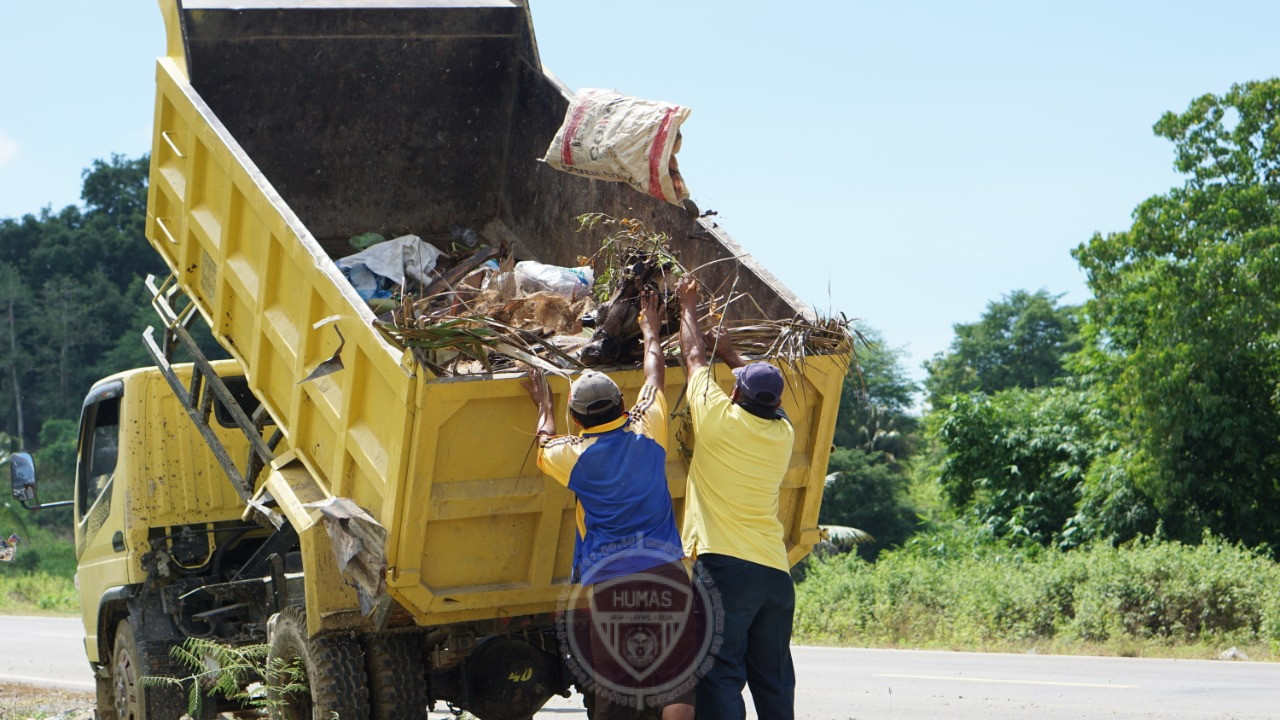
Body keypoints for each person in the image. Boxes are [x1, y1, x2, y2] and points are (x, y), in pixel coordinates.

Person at [524, 290, 696, 720]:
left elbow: (544, 442)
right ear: (622, 405)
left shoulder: (573, 457)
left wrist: (544, 406)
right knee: (676, 685)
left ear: (577, 419)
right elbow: (654, 377)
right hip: (667, 575)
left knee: (617, 693)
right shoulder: (648, 430)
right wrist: (650, 331)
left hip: (611, 586)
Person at [675, 274, 797, 720]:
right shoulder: (782, 433)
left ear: (737, 392)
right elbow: (768, 393)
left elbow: (691, 356)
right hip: (775, 576)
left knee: (721, 673)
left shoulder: (716, 419)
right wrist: (730, 354)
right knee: (774, 678)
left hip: (726, 569)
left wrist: (687, 304)